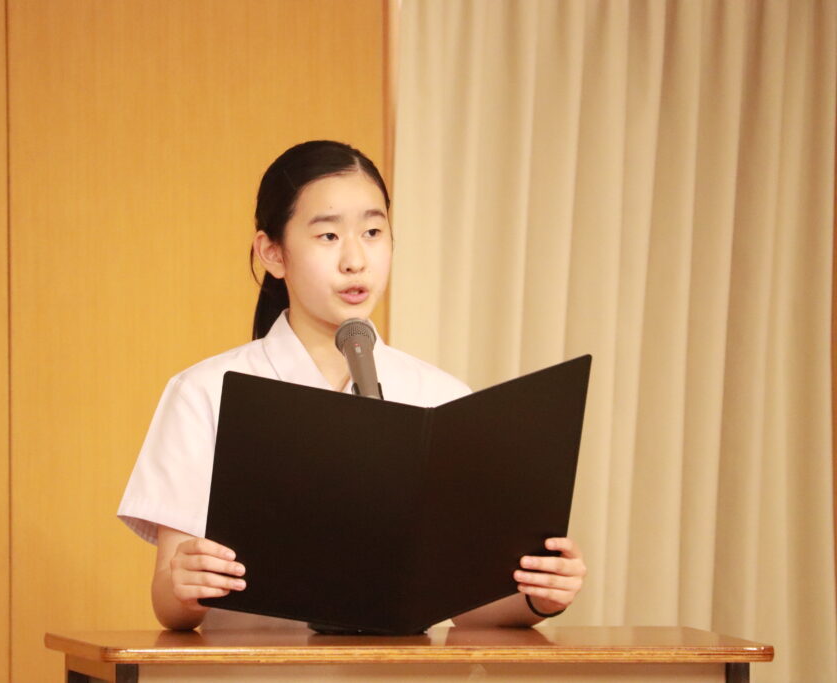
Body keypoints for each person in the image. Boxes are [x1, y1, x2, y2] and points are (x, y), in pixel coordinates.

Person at [118, 140, 586, 631]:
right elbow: (169, 602)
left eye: (372, 232)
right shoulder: (205, 392)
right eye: (328, 235)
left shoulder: (442, 399)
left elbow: (467, 606)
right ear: (272, 253)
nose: (355, 260)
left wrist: (540, 597)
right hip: (253, 667)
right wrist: (185, 582)